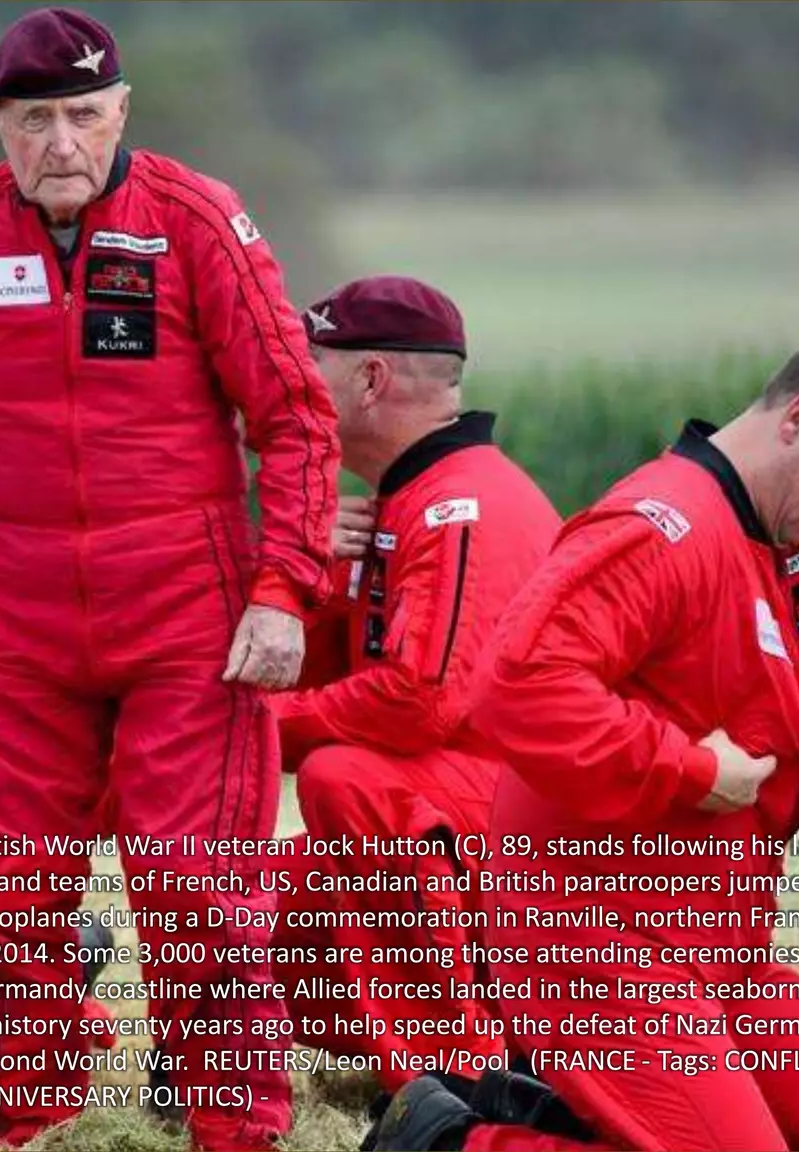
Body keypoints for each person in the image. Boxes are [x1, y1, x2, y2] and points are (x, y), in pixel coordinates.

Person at [0, 9, 342, 1148]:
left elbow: (293, 417)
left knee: (195, 885)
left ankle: (236, 1128)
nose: (60, 141)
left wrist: (283, 588)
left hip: (190, 598)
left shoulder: (196, 219)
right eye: (34, 120)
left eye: (81, 114)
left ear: (121, 112)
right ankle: (21, 1127)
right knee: (6, 888)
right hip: (20, 603)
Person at [369, 326, 799, 1151]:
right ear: (797, 420)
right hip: (596, 953)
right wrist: (693, 768)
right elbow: (517, 685)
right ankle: (450, 1142)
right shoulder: (659, 528)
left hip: (724, 946)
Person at [266, 277, 560, 1090]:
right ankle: (207, 1061)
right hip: (463, 814)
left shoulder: (458, 505)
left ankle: (459, 1077)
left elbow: (418, 701)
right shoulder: (405, 500)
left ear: (369, 382)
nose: (290, 379)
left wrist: (256, 727)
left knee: (346, 779)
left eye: (309, 360)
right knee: (251, 900)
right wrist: (308, 571)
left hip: (517, 829)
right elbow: (330, 672)